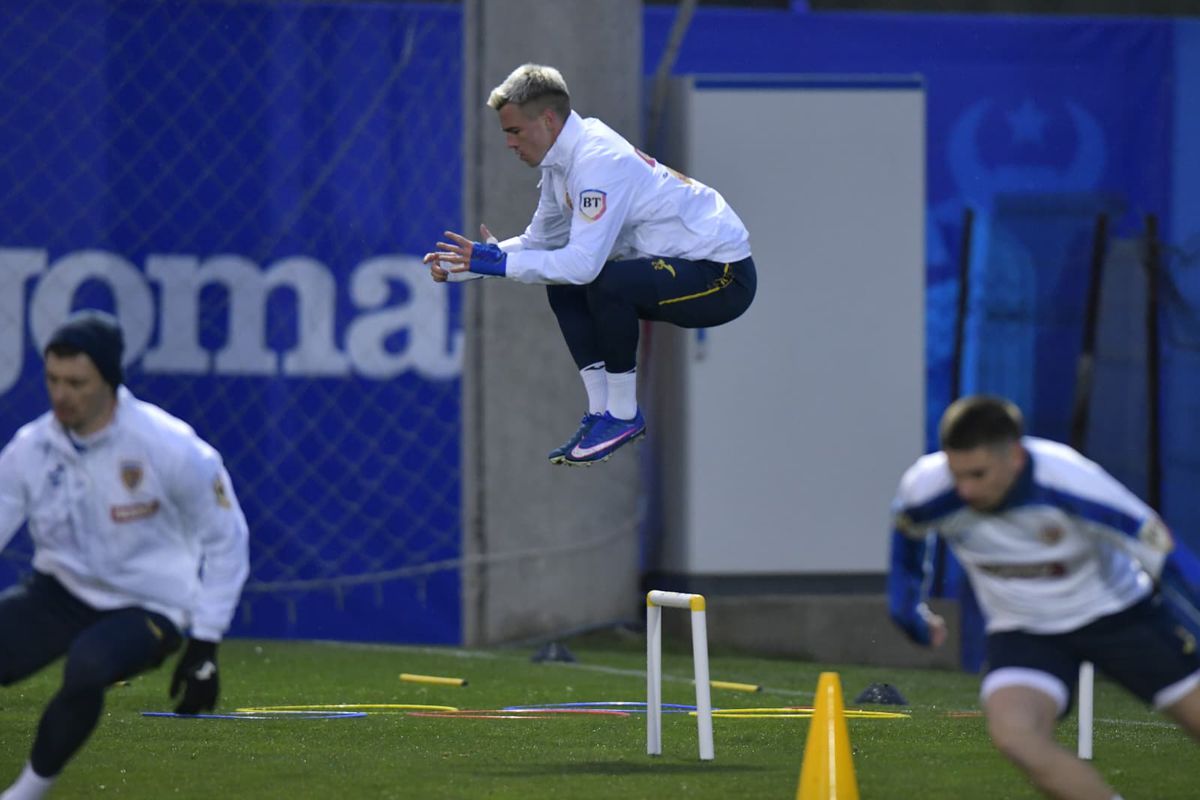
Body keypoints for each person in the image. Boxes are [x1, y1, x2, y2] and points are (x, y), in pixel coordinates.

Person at [424, 63, 756, 465]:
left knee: (602, 280)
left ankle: (622, 415)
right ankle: (603, 412)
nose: (510, 143)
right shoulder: (560, 163)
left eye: (514, 131)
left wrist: (494, 264)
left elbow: (582, 265)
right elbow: (540, 243)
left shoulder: (597, 161)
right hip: (677, 265)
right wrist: (467, 265)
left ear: (548, 120)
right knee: (562, 281)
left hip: (723, 276)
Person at [888, 394, 1200, 800]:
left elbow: (1166, 555)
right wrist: (909, 613)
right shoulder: (925, 490)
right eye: (956, 473)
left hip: (1121, 616)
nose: (964, 489)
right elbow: (907, 545)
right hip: (1025, 631)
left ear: (1015, 457)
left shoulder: (1072, 482)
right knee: (1014, 736)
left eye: (978, 475)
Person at [0, 311, 250, 800]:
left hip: (149, 605)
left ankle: (24, 793)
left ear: (109, 380)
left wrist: (205, 645)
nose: (61, 395)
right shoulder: (32, 448)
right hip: (61, 592)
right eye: (52, 380)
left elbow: (228, 539)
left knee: (89, 666)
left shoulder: (171, 446)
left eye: (77, 382)